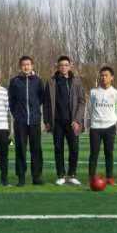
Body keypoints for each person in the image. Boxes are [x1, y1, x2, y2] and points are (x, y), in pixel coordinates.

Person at [43, 55, 86, 186]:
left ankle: (72, 175)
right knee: (58, 148)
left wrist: (77, 120)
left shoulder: (76, 81)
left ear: (70, 66)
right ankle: (61, 175)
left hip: (73, 122)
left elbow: (82, 101)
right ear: (57, 66)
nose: (63, 67)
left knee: (74, 148)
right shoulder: (51, 82)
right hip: (57, 122)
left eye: (66, 65)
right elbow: (46, 103)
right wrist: (47, 121)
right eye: (61, 65)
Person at [8, 56, 46, 187]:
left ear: (32, 66)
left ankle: (36, 176)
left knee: (36, 149)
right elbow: (11, 100)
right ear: (20, 66)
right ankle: (21, 177)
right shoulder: (15, 81)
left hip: (35, 121)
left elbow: (41, 98)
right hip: (20, 122)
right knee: (20, 149)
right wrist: (17, 114)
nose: (26, 67)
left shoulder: (38, 81)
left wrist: (35, 111)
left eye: (28, 64)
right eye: (24, 64)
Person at [85, 66, 117, 184]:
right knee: (94, 153)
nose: (103, 78)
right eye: (102, 75)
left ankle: (109, 177)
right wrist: (87, 124)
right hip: (95, 127)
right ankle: (91, 178)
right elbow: (89, 109)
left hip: (110, 127)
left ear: (112, 77)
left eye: (106, 75)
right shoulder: (93, 92)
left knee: (109, 153)